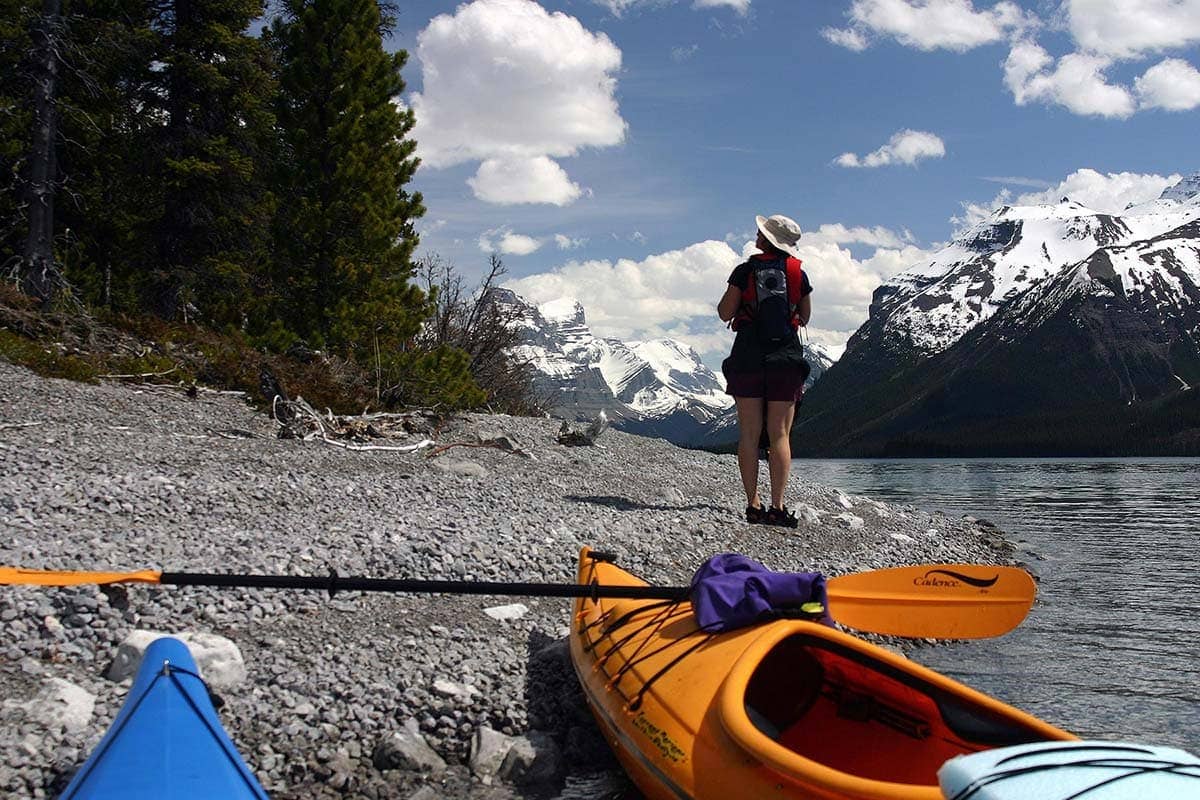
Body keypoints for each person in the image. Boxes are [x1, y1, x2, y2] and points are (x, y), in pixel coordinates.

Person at [717, 214, 812, 528]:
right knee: (779, 435)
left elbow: (724, 313)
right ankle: (777, 507)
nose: (757, 234)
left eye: (761, 232)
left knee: (748, 434)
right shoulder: (798, 273)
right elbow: (805, 316)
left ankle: (753, 505)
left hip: (748, 358)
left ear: (766, 239)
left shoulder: (744, 271)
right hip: (785, 360)